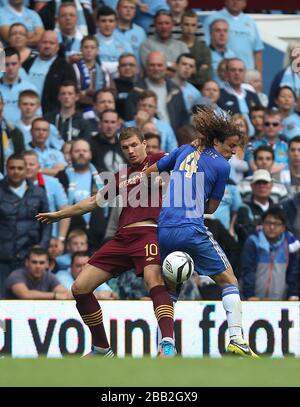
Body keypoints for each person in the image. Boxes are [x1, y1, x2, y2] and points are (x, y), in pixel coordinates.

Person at [36, 127, 176, 358]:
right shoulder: (122, 176)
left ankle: (168, 344)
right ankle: (102, 348)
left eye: (134, 145)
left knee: (154, 281)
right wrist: (60, 215)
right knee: (80, 288)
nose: (130, 151)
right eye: (125, 148)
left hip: (149, 233)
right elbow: (93, 202)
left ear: (144, 143)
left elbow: (184, 164)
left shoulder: (160, 160)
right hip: (121, 238)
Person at [144, 106, 258, 357]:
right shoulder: (222, 167)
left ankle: (165, 347)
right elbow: (213, 208)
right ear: (216, 140)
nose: (233, 152)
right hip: (191, 228)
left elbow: (149, 174)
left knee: (170, 289)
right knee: (229, 280)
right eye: (230, 146)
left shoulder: (184, 149)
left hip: (164, 230)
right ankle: (237, 338)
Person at [0, 153, 51, 295]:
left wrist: (42, 248)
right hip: (3, 257)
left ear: (25, 169)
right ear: (6, 169)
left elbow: (47, 222)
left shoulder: (38, 192)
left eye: (20, 168)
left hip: (28, 256)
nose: (16, 171)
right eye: (12, 168)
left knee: (28, 298)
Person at [240, 207, 300, 301]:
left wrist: (293, 294)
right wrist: (249, 295)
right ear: (262, 224)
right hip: (254, 299)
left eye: (276, 224)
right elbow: (247, 270)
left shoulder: (290, 244)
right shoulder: (253, 241)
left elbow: (293, 273)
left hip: (280, 301)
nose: (271, 227)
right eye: (268, 223)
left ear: (283, 227)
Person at [23, 30, 77, 114]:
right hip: (25, 113)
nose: (47, 46)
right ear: (38, 44)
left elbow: (71, 94)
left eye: (51, 43)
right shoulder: (27, 63)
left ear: (58, 47)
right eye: (44, 42)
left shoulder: (65, 67)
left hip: (50, 115)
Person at [4, 246, 70, 300]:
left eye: (41, 263)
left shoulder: (49, 276)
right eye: (34, 262)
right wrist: (55, 295)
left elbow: (65, 294)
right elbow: (25, 295)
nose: (38, 266)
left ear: (47, 264)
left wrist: (68, 295)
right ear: (27, 263)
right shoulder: (16, 275)